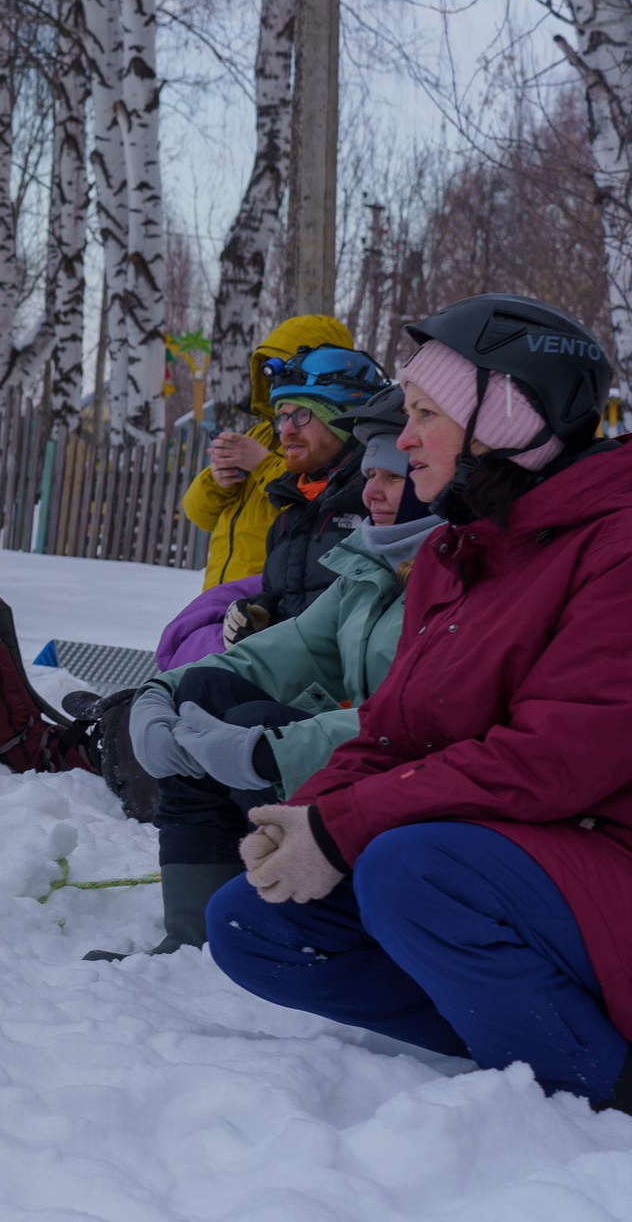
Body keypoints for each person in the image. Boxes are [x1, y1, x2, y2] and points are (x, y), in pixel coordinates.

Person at [208, 294, 632, 1107]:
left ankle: (599, 1082)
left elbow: (555, 759)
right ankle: (518, 1035)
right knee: (252, 922)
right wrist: (307, 814)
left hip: (601, 854)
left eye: (425, 414)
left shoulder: (615, 545)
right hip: (520, 867)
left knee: (415, 870)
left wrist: (351, 825)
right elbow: (397, 731)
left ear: (506, 418)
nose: (400, 442)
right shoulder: (455, 549)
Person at [92, 387, 440, 959]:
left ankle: (283, 920)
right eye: (369, 473)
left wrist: (270, 749)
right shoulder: (376, 563)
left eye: (393, 477)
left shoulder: (455, 573)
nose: (369, 490)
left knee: (251, 719)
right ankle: (189, 940)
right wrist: (162, 692)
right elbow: (284, 649)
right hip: (361, 756)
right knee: (201, 694)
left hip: (402, 779)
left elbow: (424, 720)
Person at [157, 342, 388, 672]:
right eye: (282, 417)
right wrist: (264, 609)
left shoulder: (378, 505)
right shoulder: (293, 508)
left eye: (302, 414)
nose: (286, 430)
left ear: (343, 420)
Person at [183, 315, 357, 590]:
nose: (279, 379)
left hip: (268, 599)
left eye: (291, 368)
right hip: (219, 594)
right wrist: (218, 480)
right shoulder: (261, 434)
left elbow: (317, 498)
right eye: (274, 370)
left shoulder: (337, 437)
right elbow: (198, 515)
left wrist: (261, 463)